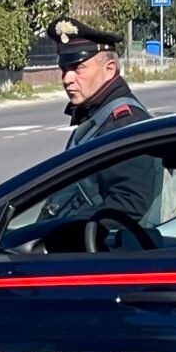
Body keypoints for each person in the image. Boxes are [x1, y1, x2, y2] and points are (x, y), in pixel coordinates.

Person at [41, 17, 156, 223]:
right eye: (64, 69)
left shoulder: (124, 123)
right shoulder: (95, 115)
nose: (67, 79)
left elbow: (129, 204)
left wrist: (67, 233)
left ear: (109, 69)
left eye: (77, 68)